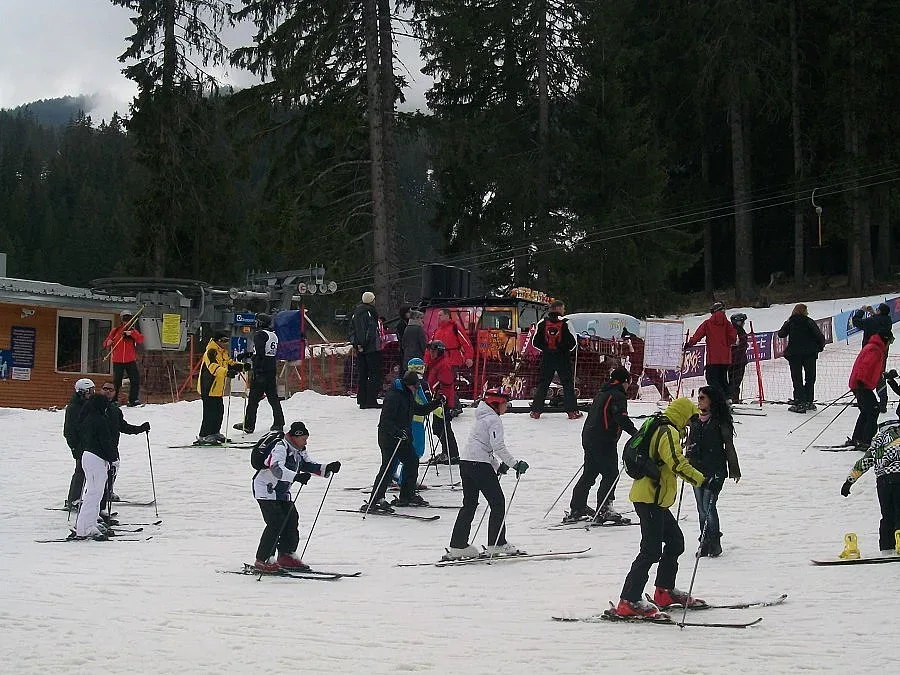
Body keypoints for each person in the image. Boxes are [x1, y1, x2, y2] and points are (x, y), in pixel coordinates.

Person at [614, 398, 711, 618]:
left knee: (675, 542)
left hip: (655, 498)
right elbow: (676, 463)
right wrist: (702, 481)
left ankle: (664, 591)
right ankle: (628, 600)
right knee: (650, 550)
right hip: (649, 497)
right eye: (690, 417)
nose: (691, 422)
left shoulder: (662, 426)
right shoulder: (668, 431)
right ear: (683, 414)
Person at [444, 389, 529, 560]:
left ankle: (458, 545)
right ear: (496, 404)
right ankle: (496, 543)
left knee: (469, 504)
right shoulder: (493, 419)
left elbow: (483, 446)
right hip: (479, 465)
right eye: (506, 404)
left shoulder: (482, 418)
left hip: (466, 462)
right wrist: (515, 464)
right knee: (498, 502)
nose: (508, 407)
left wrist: (497, 466)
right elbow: (497, 447)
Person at [253, 421, 342, 572]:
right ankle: (263, 559)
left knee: (291, 519)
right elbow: (276, 468)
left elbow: (308, 465)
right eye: (304, 438)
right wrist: (296, 477)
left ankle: (286, 555)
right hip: (266, 489)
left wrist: (327, 468)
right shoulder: (281, 447)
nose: (306, 441)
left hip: (281, 491)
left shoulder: (299, 450)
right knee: (276, 522)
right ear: (295, 436)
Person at [362, 370, 443, 513]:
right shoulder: (394, 396)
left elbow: (419, 410)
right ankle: (375, 500)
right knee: (388, 467)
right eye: (415, 387)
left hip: (403, 437)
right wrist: (397, 432)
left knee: (412, 461)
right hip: (389, 438)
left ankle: (407, 495)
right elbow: (385, 421)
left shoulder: (408, 394)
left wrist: (435, 403)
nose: (416, 390)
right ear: (408, 384)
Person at [566, 366, 637, 524]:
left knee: (590, 473)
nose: (628, 386)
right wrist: (636, 433)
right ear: (625, 381)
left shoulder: (602, 392)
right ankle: (604, 508)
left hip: (589, 437)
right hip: (603, 440)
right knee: (611, 474)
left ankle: (578, 507)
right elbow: (621, 417)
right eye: (629, 383)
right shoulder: (617, 395)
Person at [686, 386, 741, 557]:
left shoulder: (719, 421)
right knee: (700, 508)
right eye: (699, 397)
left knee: (708, 506)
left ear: (711, 400)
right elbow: (689, 442)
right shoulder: (695, 421)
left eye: (703, 398)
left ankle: (714, 541)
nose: (699, 400)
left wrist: (734, 470)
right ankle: (704, 542)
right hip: (696, 470)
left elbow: (729, 446)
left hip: (714, 470)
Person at [840, 419, 900, 553]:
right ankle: (899, 538)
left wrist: (849, 482)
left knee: (887, 515)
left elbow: (864, 462)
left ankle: (887, 549)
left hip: (884, 481)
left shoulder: (878, 441)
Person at [99, 381, 150, 514]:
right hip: (96, 448)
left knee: (113, 469)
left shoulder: (115, 410)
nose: (108, 392)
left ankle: (108, 492)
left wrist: (140, 429)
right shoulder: (94, 407)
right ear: (100, 390)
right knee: (98, 475)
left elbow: (123, 427)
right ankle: (95, 501)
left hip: (112, 447)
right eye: (105, 389)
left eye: (111, 390)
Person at [73, 393, 117, 540]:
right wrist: (113, 458)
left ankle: (90, 523)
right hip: (96, 458)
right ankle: (83, 528)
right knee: (93, 493)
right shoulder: (99, 420)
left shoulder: (87, 418)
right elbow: (105, 441)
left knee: (96, 492)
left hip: (90, 456)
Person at [234, 313, 285, 434]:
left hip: (261, 369)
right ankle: (279, 422)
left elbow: (260, 353)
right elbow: (266, 352)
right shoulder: (273, 335)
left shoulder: (260, 334)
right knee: (273, 397)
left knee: (253, 399)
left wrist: (257, 369)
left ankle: (249, 424)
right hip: (271, 366)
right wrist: (247, 355)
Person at [529, 300, 580, 419]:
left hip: (547, 357)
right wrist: (563, 349)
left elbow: (535, 342)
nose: (564, 310)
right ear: (559, 308)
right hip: (563, 357)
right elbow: (573, 342)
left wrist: (547, 349)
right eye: (563, 308)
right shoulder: (566, 322)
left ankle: (536, 411)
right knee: (567, 384)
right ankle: (572, 412)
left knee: (543, 383)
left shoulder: (542, 322)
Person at [197, 331, 245, 445]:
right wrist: (226, 373)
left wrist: (242, 367)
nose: (226, 343)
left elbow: (230, 363)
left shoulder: (223, 352)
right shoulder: (211, 351)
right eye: (224, 341)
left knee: (219, 411)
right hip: (208, 386)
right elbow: (213, 366)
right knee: (209, 412)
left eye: (227, 341)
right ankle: (204, 435)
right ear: (217, 341)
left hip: (218, 389)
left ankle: (214, 432)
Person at [848, 329, 893, 449]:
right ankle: (866, 441)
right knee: (873, 410)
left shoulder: (873, 347)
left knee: (866, 411)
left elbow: (873, 370)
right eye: (891, 341)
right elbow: (865, 366)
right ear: (885, 339)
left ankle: (858, 438)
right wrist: (861, 382)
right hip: (862, 384)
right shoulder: (875, 349)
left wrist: (885, 375)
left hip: (861, 384)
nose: (890, 344)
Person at [777, 304, 826, 413]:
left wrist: (786, 323)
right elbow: (819, 336)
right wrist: (819, 347)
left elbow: (781, 334)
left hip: (794, 354)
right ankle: (809, 400)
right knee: (810, 377)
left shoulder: (791, 322)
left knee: (797, 378)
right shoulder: (809, 322)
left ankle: (800, 401)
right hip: (809, 354)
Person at [685, 302, 737, 399]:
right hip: (725, 358)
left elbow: (698, 335)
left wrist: (689, 344)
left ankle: (719, 400)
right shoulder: (728, 324)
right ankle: (727, 398)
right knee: (723, 380)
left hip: (712, 359)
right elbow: (733, 339)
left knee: (712, 380)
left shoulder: (707, 323)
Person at [852, 304, 893, 413]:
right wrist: (873, 314)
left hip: (869, 350)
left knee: (865, 375)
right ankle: (883, 402)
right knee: (879, 375)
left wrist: (861, 311)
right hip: (883, 351)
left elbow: (856, 321)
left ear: (879, 311)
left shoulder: (871, 321)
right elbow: (878, 321)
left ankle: (864, 400)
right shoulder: (888, 320)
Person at [425, 340, 460, 464]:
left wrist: (441, 396)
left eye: (434, 351)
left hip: (443, 401)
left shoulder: (444, 364)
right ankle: (448, 452)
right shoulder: (436, 363)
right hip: (437, 400)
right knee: (438, 427)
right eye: (430, 351)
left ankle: (452, 454)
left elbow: (446, 383)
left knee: (443, 427)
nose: (431, 353)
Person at [63, 378, 94, 510]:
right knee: (80, 471)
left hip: (91, 444)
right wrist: (74, 447)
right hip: (80, 446)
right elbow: (69, 431)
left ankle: (83, 497)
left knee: (89, 472)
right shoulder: (74, 408)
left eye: (93, 390)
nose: (92, 394)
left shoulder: (89, 404)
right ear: (81, 392)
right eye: (89, 391)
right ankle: (73, 499)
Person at [103, 310, 144, 406]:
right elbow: (106, 342)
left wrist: (132, 334)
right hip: (118, 360)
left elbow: (141, 340)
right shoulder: (116, 330)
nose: (126, 321)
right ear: (122, 320)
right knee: (117, 381)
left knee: (135, 379)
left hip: (130, 359)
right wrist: (108, 342)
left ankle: (133, 399)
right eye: (125, 319)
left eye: (128, 319)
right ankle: (114, 400)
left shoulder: (133, 331)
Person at [349, 291, 382, 409]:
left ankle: (362, 399)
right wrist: (364, 344)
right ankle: (371, 399)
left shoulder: (356, 312)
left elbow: (352, 330)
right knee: (374, 374)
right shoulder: (369, 313)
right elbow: (370, 331)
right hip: (370, 348)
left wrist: (356, 344)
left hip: (360, 348)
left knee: (363, 374)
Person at [622, 327, 671, 401]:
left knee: (633, 380)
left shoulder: (628, 342)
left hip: (636, 363)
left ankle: (630, 396)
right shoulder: (639, 340)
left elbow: (626, 354)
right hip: (646, 361)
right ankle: (665, 395)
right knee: (655, 379)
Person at [728, 313, 749, 403]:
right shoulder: (740, 332)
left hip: (730, 360)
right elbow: (743, 345)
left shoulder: (729, 330)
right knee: (736, 381)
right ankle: (734, 399)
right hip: (738, 361)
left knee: (731, 380)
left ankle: (731, 398)